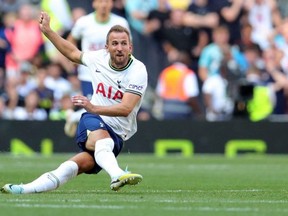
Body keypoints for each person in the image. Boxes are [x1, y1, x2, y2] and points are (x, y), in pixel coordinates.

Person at [1, 11, 147, 194]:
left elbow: (126, 109)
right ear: (106, 47)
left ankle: (24, 189)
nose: (119, 48)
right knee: (103, 141)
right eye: (115, 43)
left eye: (124, 44)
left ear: (130, 47)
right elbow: (71, 52)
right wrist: (47, 31)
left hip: (118, 133)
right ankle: (117, 174)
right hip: (93, 118)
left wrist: (94, 106)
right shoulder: (98, 58)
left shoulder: (138, 70)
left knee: (73, 167)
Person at [64, 0, 131, 137]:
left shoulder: (121, 23)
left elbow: (128, 47)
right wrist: (74, 58)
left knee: (103, 107)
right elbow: (71, 39)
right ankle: (94, 138)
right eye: (100, 1)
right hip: (89, 73)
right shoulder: (84, 22)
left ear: (111, 4)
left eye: (107, 1)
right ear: (94, 4)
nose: (104, 4)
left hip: (111, 75)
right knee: (93, 106)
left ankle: (74, 117)